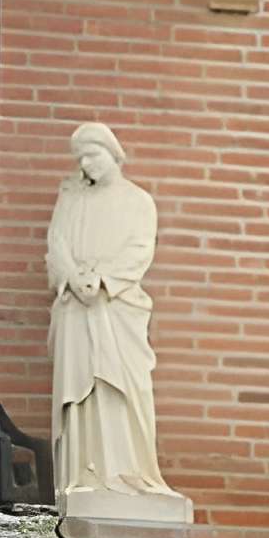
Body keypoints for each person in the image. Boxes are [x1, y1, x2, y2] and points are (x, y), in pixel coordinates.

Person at [45, 121, 176, 503]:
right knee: (79, 391)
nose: (87, 163)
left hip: (117, 308)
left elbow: (139, 250)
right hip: (74, 307)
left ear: (113, 153)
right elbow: (56, 244)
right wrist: (72, 277)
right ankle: (81, 474)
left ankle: (124, 469)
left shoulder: (138, 200)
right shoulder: (71, 199)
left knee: (122, 385)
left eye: (93, 154)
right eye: (81, 158)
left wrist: (101, 281)